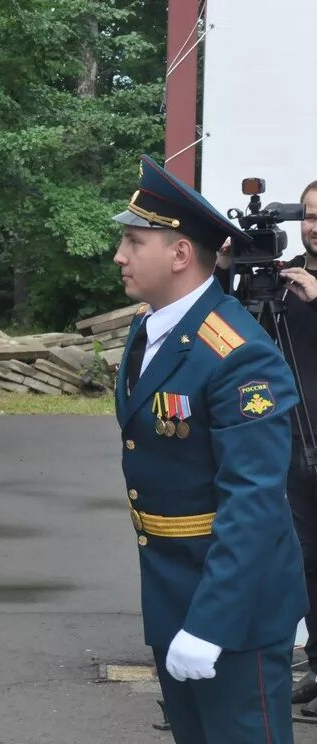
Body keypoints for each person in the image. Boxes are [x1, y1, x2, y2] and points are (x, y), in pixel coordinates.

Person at [112, 154, 306, 744]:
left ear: (179, 255)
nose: (119, 255)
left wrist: (211, 623)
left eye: (133, 241)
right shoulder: (150, 333)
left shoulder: (239, 355)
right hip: (173, 591)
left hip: (233, 610)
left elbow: (254, 504)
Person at [217, 181, 317, 712]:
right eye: (311, 216)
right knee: (304, 560)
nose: (315, 226)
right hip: (293, 439)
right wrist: (225, 269)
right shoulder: (280, 280)